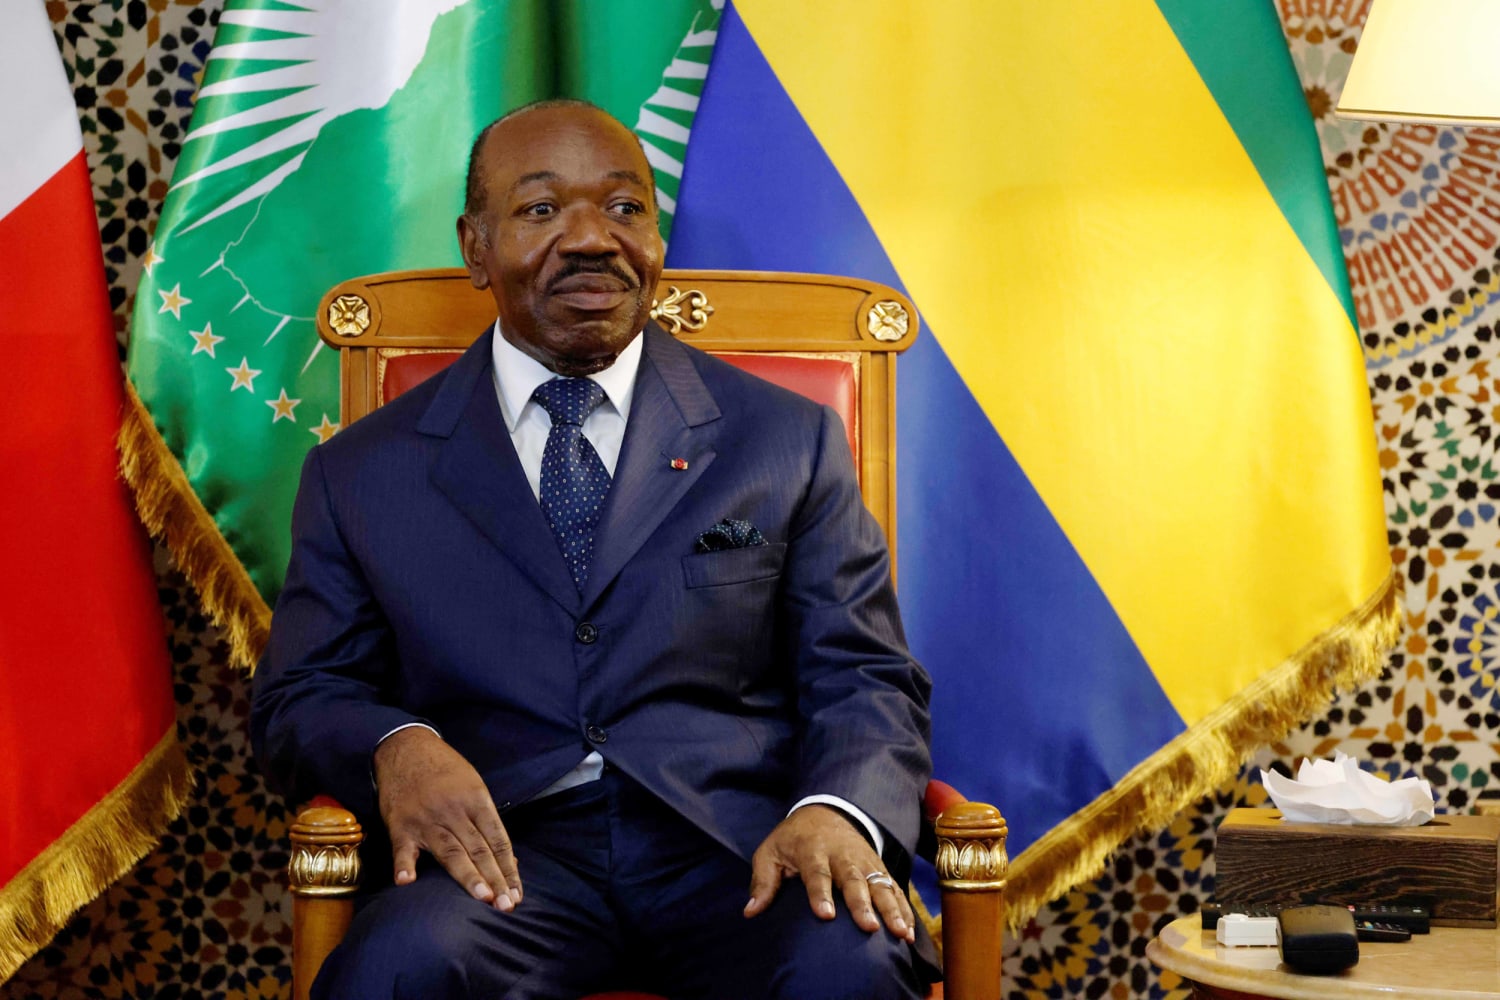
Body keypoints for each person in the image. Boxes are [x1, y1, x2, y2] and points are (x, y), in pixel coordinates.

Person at [250, 98, 934, 1000]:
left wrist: (836, 811)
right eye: (541, 210)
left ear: (655, 240)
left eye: (624, 208)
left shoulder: (783, 440)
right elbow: (300, 695)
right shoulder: (363, 474)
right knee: (395, 972)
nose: (590, 239)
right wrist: (397, 744)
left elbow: (862, 672)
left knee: (851, 963)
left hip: (739, 848)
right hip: (500, 856)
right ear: (475, 247)